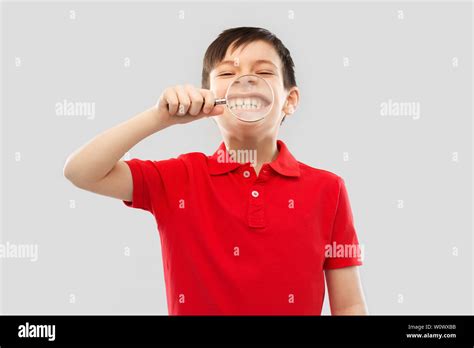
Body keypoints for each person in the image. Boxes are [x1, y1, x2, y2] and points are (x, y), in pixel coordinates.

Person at [63, 26, 368, 315]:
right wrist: (160, 117)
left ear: (290, 101)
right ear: (209, 99)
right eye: (227, 73)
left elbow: (350, 305)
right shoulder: (179, 178)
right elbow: (81, 171)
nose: (246, 79)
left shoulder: (330, 189)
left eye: (262, 72)